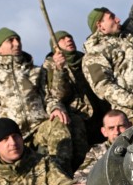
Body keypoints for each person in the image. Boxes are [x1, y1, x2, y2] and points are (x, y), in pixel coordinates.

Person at [0, 27, 73, 172]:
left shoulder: (36, 71)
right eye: (10, 40)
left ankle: (61, 173)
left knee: (59, 124)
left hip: (39, 128)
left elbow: (50, 97)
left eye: (18, 39)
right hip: (12, 137)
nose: (17, 43)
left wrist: (55, 108)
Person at [43, 30, 105, 169]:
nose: (68, 40)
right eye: (62, 39)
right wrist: (60, 69)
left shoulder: (86, 58)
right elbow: (58, 95)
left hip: (101, 112)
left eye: (69, 36)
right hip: (79, 117)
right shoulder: (49, 66)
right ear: (55, 47)